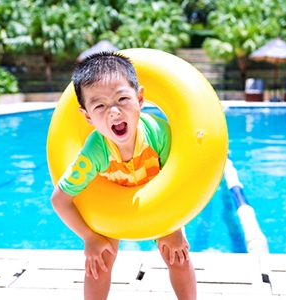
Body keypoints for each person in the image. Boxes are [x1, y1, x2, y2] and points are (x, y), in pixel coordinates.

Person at [50, 51, 197, 300]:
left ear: (140, 98)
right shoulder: (95, 150)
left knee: (177, 254)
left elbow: (182, 181)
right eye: (99, 105)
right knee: (100, 260)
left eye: (122, 99)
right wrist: (90, 238)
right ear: (87, 116)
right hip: (113, 206)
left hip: (158, 204)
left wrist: (175, 227)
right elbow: (59, 200)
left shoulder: (159, 134)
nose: (114, 112)